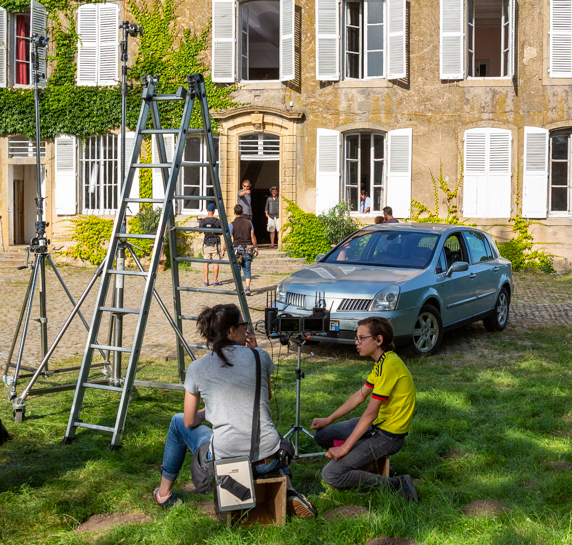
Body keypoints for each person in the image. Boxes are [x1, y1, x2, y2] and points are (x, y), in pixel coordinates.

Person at [154, 304, 316, 518]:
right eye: (244, 325)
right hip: (268, 461)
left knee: (177, 421)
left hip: (228, 465)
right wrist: (254, 352)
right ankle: (288, 488)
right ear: (232, 331)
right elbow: (265, 396)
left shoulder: (197, 368)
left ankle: (164, 493)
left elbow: (189, 421)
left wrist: (208, 412)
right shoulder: (260, 356)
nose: (246, 329)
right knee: (267, 431)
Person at [310, 316, 419, 502]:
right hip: (375, 427)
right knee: (322, 435)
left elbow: (370, 414)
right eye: (356, 338)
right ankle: (362, 459)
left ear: (378, 340)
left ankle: (398, 484)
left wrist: (345, 448)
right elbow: (360, 395)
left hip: (387, 436)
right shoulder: (382, 362)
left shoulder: (389, 365)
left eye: (361, 338)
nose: (356, 342)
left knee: (331, 475)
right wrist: (329, 419)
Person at [230, 205, 257, 289]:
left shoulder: (231, 224)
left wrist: (224, 250)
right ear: (242, 212)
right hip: (247, 248)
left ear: (234, 213)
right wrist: (255, 247)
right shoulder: (249, 223)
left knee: (237, 270)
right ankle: (247, 287)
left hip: (236, 249)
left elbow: (229, 238)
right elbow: (252, 236)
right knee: (247, 269)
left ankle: (238, 288)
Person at [197, 203, 223, 287]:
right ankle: (215, 280)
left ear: (207, 210)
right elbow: (221, 232)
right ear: (214, 211)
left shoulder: (203, 221)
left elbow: (199, 231)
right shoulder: (217, 221)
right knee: (216, 262)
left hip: (206, 243)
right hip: (215, 244)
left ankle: (206, 280)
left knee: (206, 262)